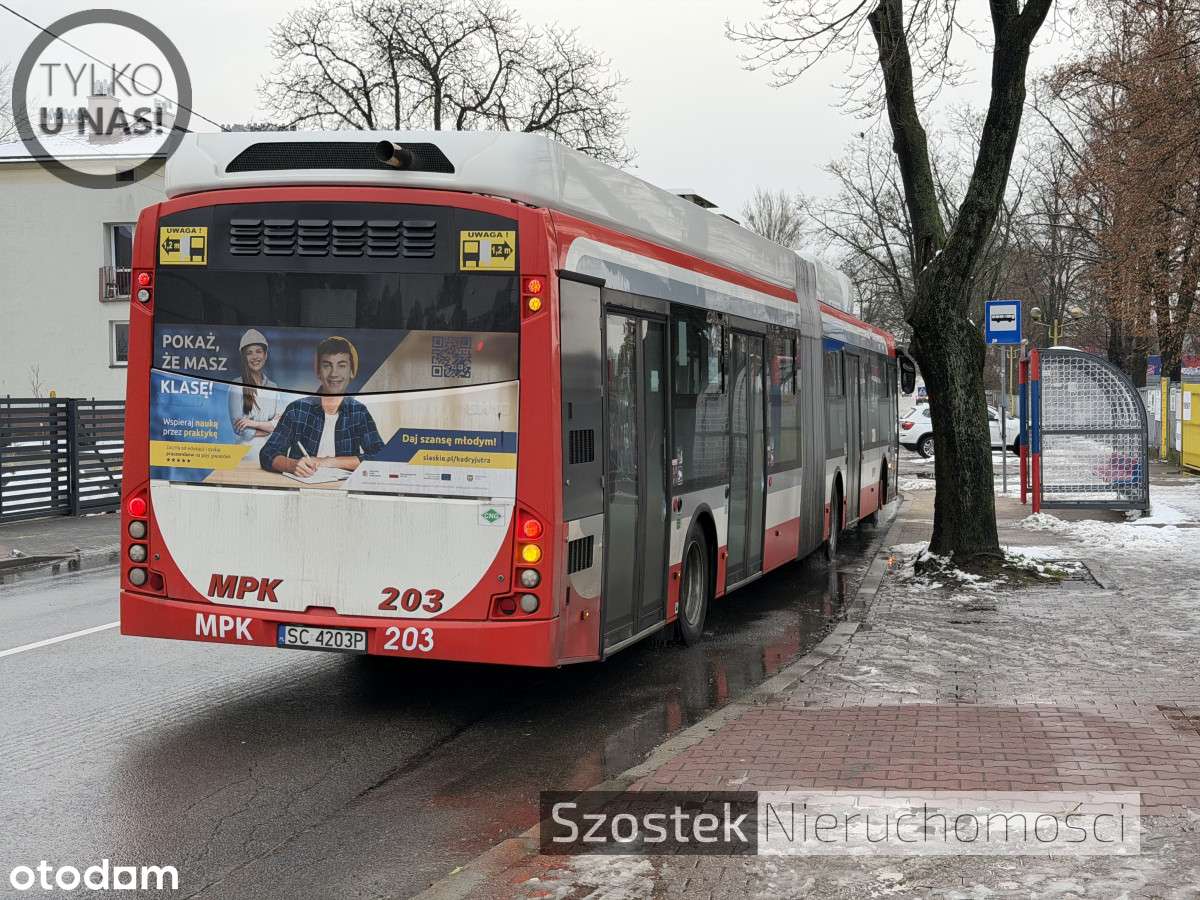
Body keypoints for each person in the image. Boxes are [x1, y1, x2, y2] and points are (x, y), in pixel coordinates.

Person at [259, 336, 384, 476]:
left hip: (342, 491)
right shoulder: (297, 409)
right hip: (301, 488)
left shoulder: (359, 412)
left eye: (341, 365)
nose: (334, 374)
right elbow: (267, 453)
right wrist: (291, 465)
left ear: (351, 371)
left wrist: (329, 462)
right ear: (318, 371)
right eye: (327, 365)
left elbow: (381, 456)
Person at [228, 329, 282, 442]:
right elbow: (239, 429)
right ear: (244, 357)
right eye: (249, 353)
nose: (255, 357)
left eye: (258, 351)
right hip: (244, 455)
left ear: (265, 355)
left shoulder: (273, 387)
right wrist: (268, 428)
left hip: (268, 452)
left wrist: (251, 423)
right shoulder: (236, 385)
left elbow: (279, 424)